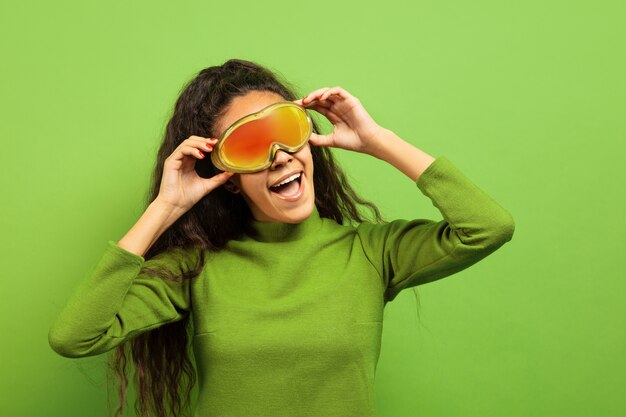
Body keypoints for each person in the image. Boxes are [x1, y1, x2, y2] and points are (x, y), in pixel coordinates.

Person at [48, 58, 515, 417]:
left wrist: (378, 140)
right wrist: (166, 207)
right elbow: (75, 336)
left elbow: (487, 227)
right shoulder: (197, 268)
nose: (278, 156)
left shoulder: (370, 253)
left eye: (286, 130)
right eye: (250, 145)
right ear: (228, 177)